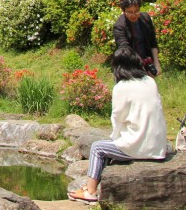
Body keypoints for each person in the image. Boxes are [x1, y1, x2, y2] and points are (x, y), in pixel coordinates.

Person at [68, 46, 167, 203]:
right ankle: (91, 188)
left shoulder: (121, 87)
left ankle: (90, 192)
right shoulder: (150, 81)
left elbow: (118, 118)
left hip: (140, 147)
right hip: (160, 147)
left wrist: (115, 139)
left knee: (97, 148)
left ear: (117, 67)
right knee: (108, 147)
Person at [113, 0, 161, 76]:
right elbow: (125, 50)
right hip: (130, 66)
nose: (134, 15)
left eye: (136, 11)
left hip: (147, 62)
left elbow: (153, 42)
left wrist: (156, 63)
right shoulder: (119, 27)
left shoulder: (145, 18)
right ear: (123, 11)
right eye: (130, 12)